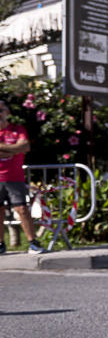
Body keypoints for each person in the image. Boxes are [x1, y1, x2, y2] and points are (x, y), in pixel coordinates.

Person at [0, 99, 46, 254]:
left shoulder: (17, 130)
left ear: (7, 112)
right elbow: (18, 148)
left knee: (22, 209)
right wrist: (14, 150)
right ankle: (1, 244)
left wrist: (6, 148)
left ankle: (33, 242)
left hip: (14, 177)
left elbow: (24, 146)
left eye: (1, 110)